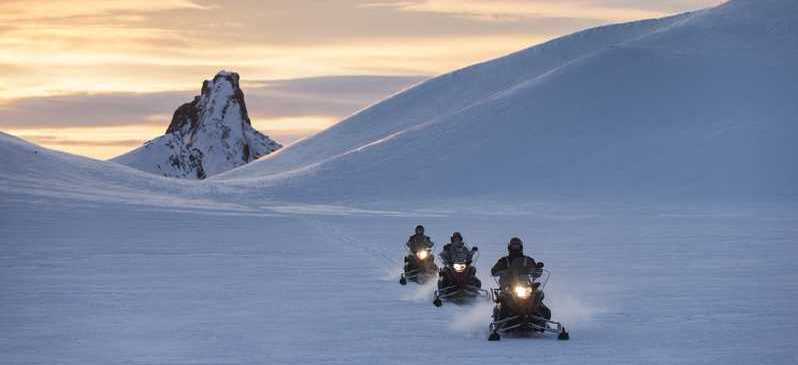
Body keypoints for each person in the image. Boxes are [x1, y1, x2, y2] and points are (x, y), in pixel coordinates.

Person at [491, 237, 550, 320]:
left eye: (517, 246)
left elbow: (535, 272)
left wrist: (538, 270)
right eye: (513, 246)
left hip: (526, 286)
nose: (515, 248)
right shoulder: (504, 260)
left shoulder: (527, 260)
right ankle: (501, 318)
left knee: (538, 295)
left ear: (521, 247)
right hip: (508, 287)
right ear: (509, 247)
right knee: (503, 298)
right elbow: (494, 270)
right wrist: (500, 271)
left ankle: (542, 316)